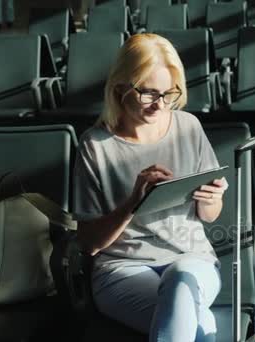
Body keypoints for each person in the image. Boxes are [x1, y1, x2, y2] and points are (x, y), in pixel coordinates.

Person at [73, 33, 227, 342]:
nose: (160, 105)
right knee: (199, 325)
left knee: (181, 282)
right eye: (148, 94)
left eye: (168, 93)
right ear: (119, 89)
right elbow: (89, 244)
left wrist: (213, 198)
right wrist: (133, 203)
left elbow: (209, 216)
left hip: (191, 258)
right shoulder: (96, 145)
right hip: (122, 268)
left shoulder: (188, 127)